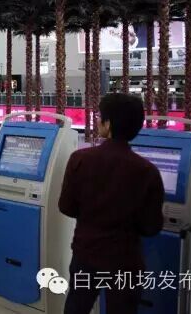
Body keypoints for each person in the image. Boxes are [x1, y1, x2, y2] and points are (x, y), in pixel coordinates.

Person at [59, 93, 165, 314]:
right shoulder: (148, 171)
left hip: (86, 254)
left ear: (108, 125)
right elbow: (151, 227)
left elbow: (66, 207)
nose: (98, 121)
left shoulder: (80, 159)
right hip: (125, 260)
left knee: (77, 307)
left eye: (101, 117)